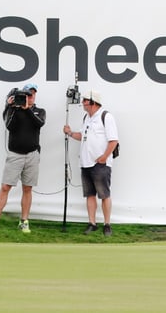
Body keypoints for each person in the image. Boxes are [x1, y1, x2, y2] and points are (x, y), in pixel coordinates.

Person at [0, 83, 46, 233]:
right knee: (5, 186)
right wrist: (10, 107)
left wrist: (27, 111)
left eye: (33, 94)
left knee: (27, 188)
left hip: (32, 154)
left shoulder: (39, 111)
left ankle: (24, 221)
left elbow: (38, 124)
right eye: (28, 94)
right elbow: (9, 126)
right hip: (15, 154)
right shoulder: (14, 110)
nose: (30, 97)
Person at [63, 90, 119, 237]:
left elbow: (114, 140)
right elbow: (82, 136)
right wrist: (70, 133)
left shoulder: (106, 116)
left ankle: (107, 224)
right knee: (89, 195)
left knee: (104, 194)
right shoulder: (87, 117)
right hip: (86, 163)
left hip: (100, 163)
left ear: (93, 102)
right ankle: (92, 223)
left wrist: (104, 156)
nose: (83, 103)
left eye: (86, 100)